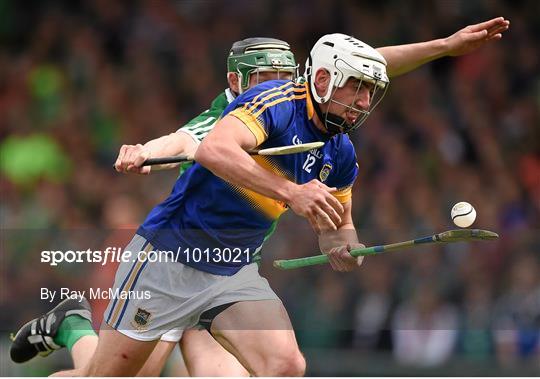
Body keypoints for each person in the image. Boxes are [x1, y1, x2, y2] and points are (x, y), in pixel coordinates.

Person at [10, 17, 510, 376]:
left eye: (367, 92)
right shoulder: (269, 102)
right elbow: (210, 149)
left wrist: (342, 247)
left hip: (232, 270)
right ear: (319, 79)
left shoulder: (342, 151)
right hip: (167, 260)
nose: (362, 102)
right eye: (353, 88)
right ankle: (75, 328)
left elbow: (338, 225)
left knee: (286, 366)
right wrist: (291, 192)